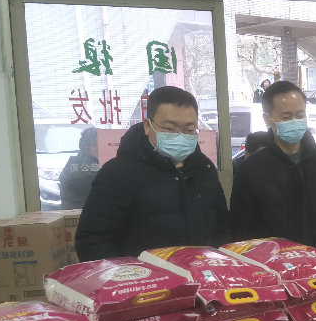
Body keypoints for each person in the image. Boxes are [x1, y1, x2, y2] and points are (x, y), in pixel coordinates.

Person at [230, 81, 316, 293]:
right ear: (268, 119)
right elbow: (242, 234)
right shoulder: (250, 170)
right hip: (277, 281)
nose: (295, 121)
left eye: (300, 114)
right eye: (286, 117)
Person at [75, 86, 229, 260]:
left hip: (203, 272)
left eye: (189, 130)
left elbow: (223, 229)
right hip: (145, 276)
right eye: (170, 129)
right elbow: (93, 242)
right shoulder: (117, 174)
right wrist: (131, 275)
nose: (180, 136)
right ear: (148, 126)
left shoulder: (204, 169)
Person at [59, 126, 99, 210]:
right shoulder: (76, 163)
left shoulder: (104, 162)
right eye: (96, 147)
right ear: (87, 148)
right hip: (78, 210)